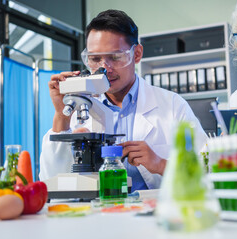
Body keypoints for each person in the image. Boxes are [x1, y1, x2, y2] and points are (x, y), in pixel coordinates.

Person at [39, 10, 207, 191]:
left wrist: (161, 165)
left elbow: (207, 171)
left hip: (152, 212)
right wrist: (60, 115)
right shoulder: (81, 107)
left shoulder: (173, 105)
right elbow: (51, 179)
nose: (105, 68)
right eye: (95, 59)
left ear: (137, 54)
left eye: (115, 57)